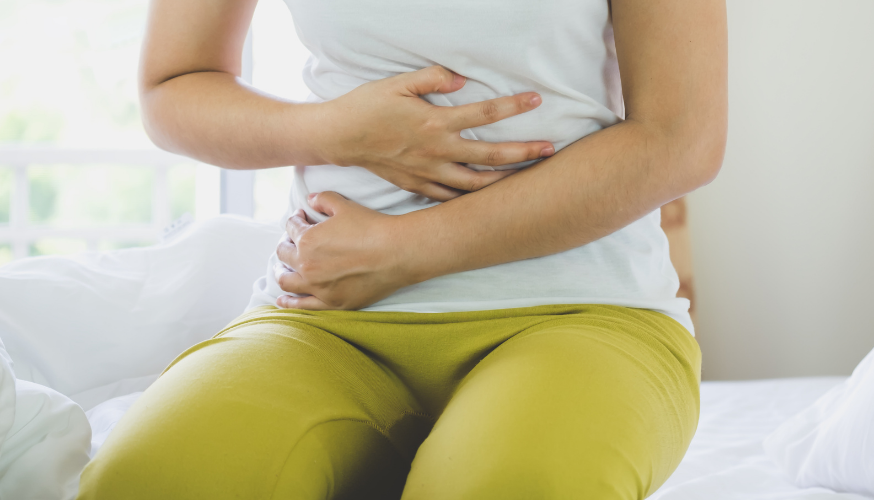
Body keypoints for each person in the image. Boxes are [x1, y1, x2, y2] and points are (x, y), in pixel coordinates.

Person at [78, 0, 728, 497]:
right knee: (146, 480)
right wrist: (333, 131)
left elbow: (682, 136)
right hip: (325, 321)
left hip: (585, 313)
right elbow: (172, 86)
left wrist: (408, 249)